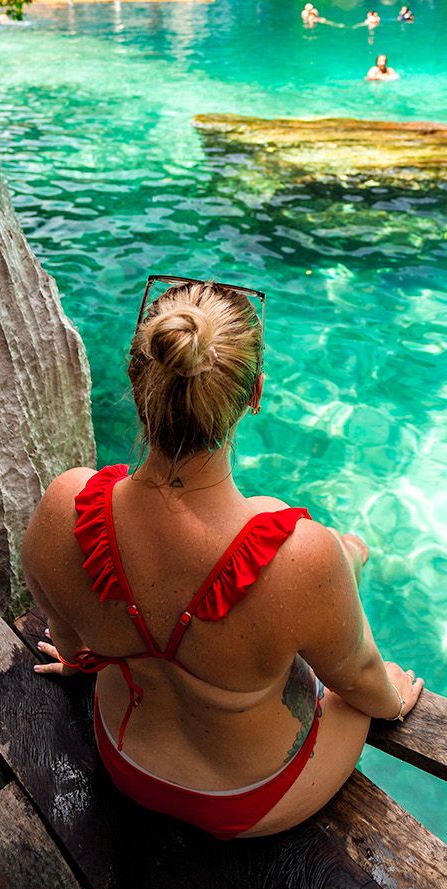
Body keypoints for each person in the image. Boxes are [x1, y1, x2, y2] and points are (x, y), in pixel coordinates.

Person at [22, 278, 422, 841]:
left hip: (124, 759)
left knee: (316, 565)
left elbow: (71, 646)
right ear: (255, 394)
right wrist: (395, 697)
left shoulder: (64, 507)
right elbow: (358, 679)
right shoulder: (298, 555)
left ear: (137, 381)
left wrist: (101, 649)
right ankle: (353, 557)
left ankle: (349, 559)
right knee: (349, 672)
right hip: (243, 802)